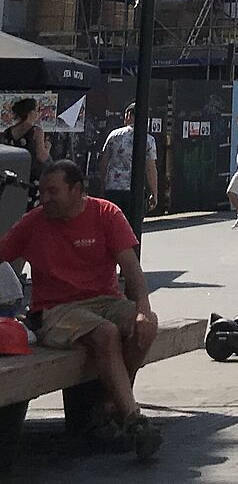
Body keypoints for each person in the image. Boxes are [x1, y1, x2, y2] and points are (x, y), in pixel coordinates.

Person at [0, 161, 161, 457]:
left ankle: (112, 404)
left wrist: (142, 310)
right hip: (54, 310)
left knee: (144, 325)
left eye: (53, 191)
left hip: (104, 301)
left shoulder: (106, 214)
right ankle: (133, 418)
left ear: (77, 190)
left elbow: (133, 271)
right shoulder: (34, 222)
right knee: (106, 333)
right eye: (42, 191)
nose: (44, 198)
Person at [98, 103, 158, 227]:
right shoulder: (148, 140)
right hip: (135, 190)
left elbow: (104, 162)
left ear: (129, 115)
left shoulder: (114, 135)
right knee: (132, 229)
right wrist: (154, 192)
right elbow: (150, 168)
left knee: (112, 227)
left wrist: (103, 185)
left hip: (113, 188)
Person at [1, 97, 50, 199]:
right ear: (31, 112)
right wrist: (47, 148)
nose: (38, 113)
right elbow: (41, 156)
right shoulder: (36, 131)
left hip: (12, 176)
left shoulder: (8, 132)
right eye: (37, 110)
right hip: (31, 177)